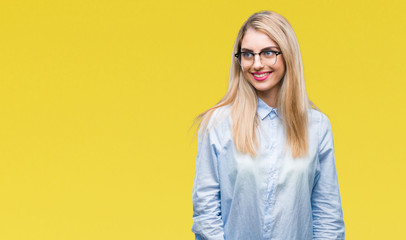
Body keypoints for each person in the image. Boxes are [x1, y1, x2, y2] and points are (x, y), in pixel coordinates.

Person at [191, 10, 345, 240]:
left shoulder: (317, 126)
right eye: (247, 54)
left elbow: (327, 216)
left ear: (288, 55)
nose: (257, 64)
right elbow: (206, 213)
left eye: (268, 53)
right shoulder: (218, 124)